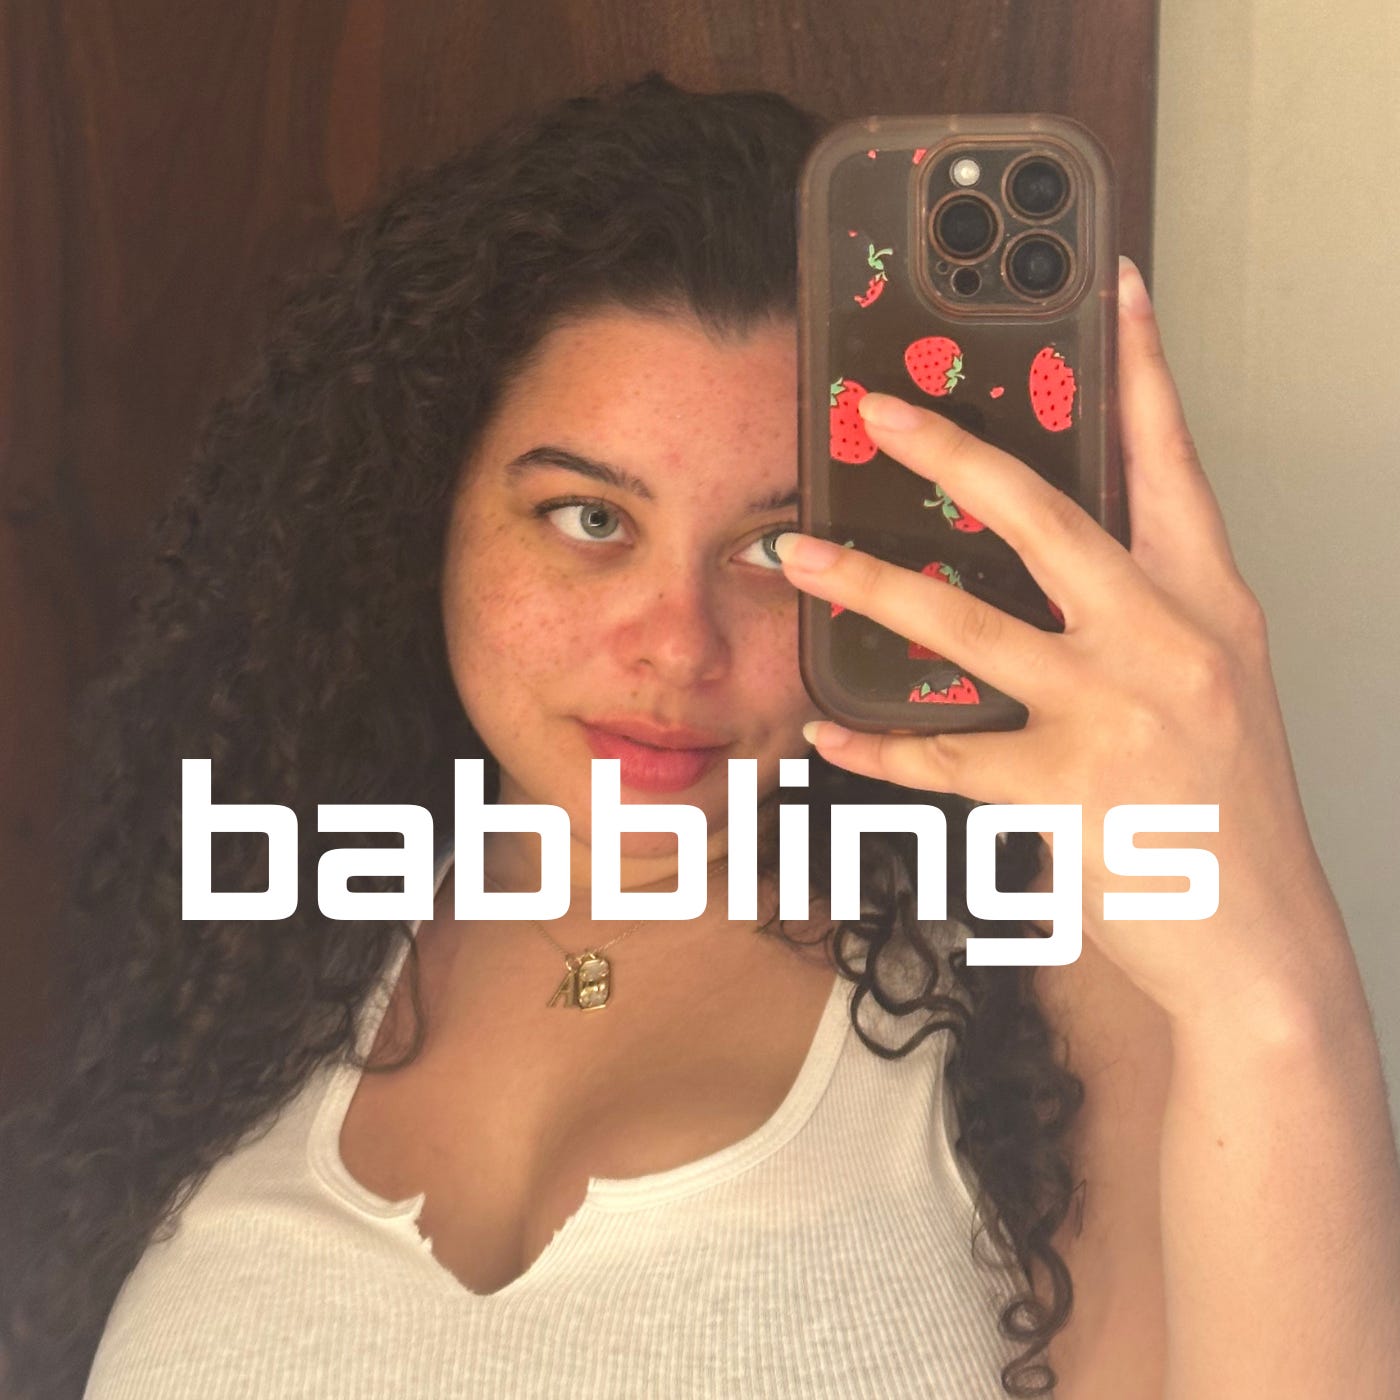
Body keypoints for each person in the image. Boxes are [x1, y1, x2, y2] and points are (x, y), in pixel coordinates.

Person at [2, 72, 1397, 1400]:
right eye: (589, 518)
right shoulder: (244, 956)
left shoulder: (1060, 982)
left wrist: (1267, 967)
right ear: (424, 516)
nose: (678, 644)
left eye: (778, 545)